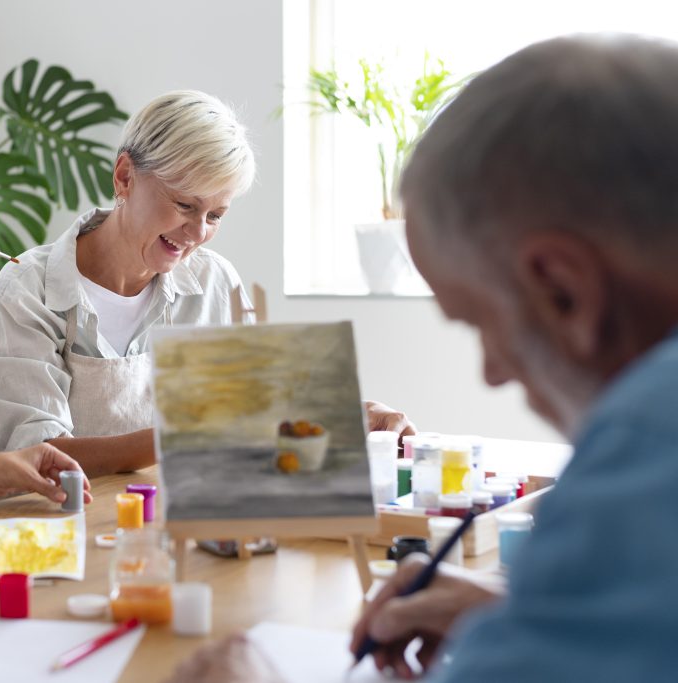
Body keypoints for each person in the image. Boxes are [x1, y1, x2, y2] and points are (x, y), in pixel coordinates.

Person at [177, 33, 678, 682]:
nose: (492, 372)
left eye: (480, 323)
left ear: (564, 288)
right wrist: (521, 613)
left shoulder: (645, 446)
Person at [0, 90, 416, 477]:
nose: (198, 232)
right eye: (185, 205)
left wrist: (346, 418)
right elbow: (38, 456)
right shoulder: (27, 293)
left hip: (160, 526)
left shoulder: (214, 283)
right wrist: (187, 435)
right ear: (124, 177)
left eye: (216, 215)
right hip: (45, 536)